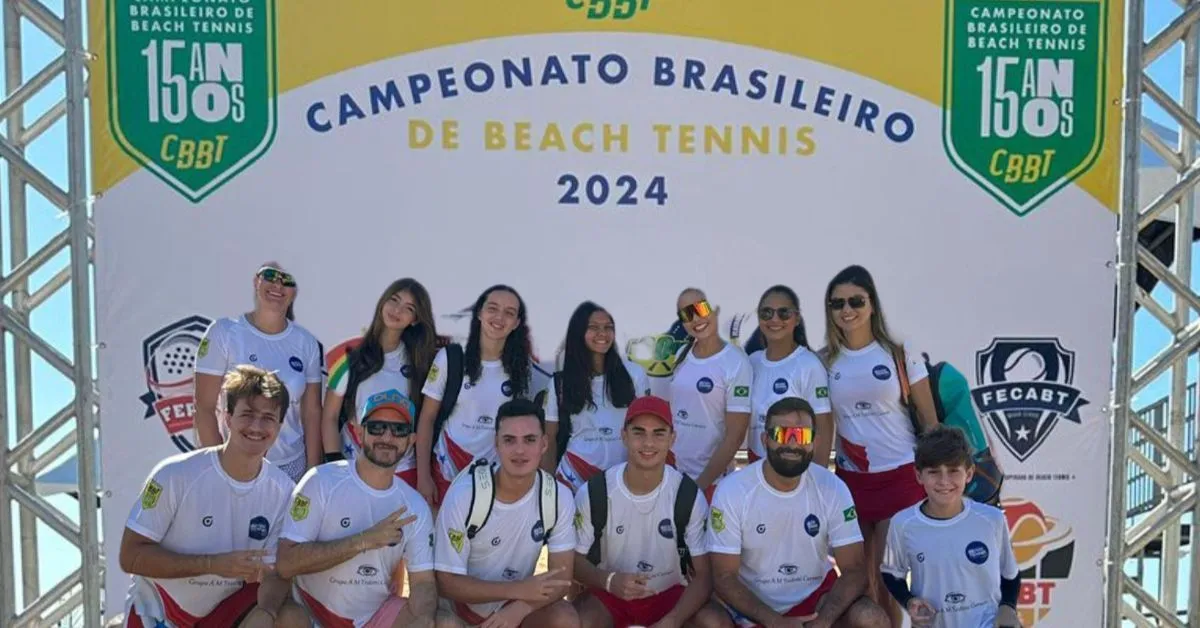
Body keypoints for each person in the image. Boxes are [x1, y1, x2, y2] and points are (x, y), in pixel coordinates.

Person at [118, 365, 296, 627]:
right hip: (159, 613)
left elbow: (278, 573)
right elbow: (130, 556)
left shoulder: (285, 492)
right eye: (247, 414)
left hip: (223, 612)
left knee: (290, 617)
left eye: (268, 417)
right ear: (227, 418)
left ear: (279, 426)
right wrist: (211, 564)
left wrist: (266, 611)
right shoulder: (174, 474)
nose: (256, 426)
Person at [821, 265, 939, 625]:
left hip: (901, 477)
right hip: (851, 482)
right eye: (838, 302)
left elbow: (931, 422)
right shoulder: (824, 361)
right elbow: (824, 425)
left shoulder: (900, 353)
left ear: (872, 304)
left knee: (889, 581)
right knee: (862, 585)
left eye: (856, 300)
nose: (847, 310)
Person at [708, 397, 888, 628]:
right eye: (782, 434)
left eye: (802, 435)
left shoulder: (832, 487)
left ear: (814, 442)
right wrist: (774, 621)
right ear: (765, 439)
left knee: (870, 618)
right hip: (754, 607)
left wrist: (824, 621)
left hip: (815, 601)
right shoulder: (733, 490)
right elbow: (724, 577)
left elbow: (854, 570)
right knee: (709, 621)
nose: (792, 444)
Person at [275, 388, 437, 628]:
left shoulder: (415, 505)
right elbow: (286, 563)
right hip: (311, 614)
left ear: (411, 440)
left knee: (441, 622)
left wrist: (424, 618)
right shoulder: (321, 480)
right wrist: (363, 540)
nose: (387, 437)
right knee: (285, 617)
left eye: (399, 430)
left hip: (374, 616)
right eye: (376, 427)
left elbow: (423, 582)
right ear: (359, 433)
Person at [573, 395, 730, 628]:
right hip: (611, 596)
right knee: (577, 621)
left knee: (715, 623)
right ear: (624, 436)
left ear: (672, 439)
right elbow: (572, 562)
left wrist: (672, 621)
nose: (648, 443)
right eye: (639, 432)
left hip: (669, 595)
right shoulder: (595, 492)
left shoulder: (687, 494)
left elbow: (703, 575)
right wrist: (608, 581)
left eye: (658, 433)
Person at [433, 398, 579, 627]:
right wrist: (517, 589)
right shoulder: (465, 494)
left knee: (564, 619)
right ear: (496, 444)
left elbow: (560, 579)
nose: (519, 450)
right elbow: (447, 582)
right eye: (509, 440)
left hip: (514, 606)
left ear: (544, 444)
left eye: (529, 440)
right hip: (459, 609)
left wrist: (519, 610)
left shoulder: (558, 496)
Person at [415, 284, 545, 507]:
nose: (499, 317)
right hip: (446, 474)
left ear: (516, 324)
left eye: (509, 313)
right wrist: (423, 477)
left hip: (495, 480)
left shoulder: (523, 370)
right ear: (479, 313)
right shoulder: (451, 358)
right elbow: (426, 419)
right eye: (492, 308)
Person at [194, 262, 324, 482]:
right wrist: (220, 470)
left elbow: (311, 415)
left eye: (287, 280)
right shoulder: (224, 332)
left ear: (294, 292)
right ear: (256, 281)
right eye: (270, 276)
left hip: (290, 466)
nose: (277, 285)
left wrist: (313, 477)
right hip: (235, 466)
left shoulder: (306, 342)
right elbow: (203, 408)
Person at [881, 427, 1021, 628]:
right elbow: (891, 574)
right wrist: (910, 601)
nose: (944, 481)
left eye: (954, 470)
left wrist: (1007, 607)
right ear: (919, 476)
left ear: (969, 473)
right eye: (934, 472)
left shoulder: (992, 519)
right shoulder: (903, 524)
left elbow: (1010, 574)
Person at [321, 278, 439, 490]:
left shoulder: (421, 362)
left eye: (408, 308)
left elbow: (424, 422)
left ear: (414, 319)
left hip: (403, 471)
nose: (397, 310)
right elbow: (329, 416)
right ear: (382, 302)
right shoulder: (349, 355)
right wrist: (334, 465)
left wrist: (423, 476)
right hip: (355, 469)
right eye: (394, 300)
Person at [546, 301, 651, 490]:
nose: (602, 333)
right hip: (574, 476)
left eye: (608, 327)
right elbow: (549, 439)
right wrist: (547, 489)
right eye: (593, 327)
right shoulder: (559, 383)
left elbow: (646, 429)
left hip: (622, 476)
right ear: (579, 333)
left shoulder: (634, 374)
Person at [668, 288, 752, 501]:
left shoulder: (736, 362)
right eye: (687, 314)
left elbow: (735, 436)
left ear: (714, 310)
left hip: (711, 484)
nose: (696, 318)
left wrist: (699, 486)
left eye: (700, 308)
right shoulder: (682, 355)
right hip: (673, 477)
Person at [747, 285, 832, 467]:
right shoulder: (751, 363)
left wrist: (818, 479)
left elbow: (823, 428)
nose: (775, 319)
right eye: (766, 313)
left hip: (794, 471)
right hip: (757, 470)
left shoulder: (809, 365)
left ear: (797, 318)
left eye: (783, 313)